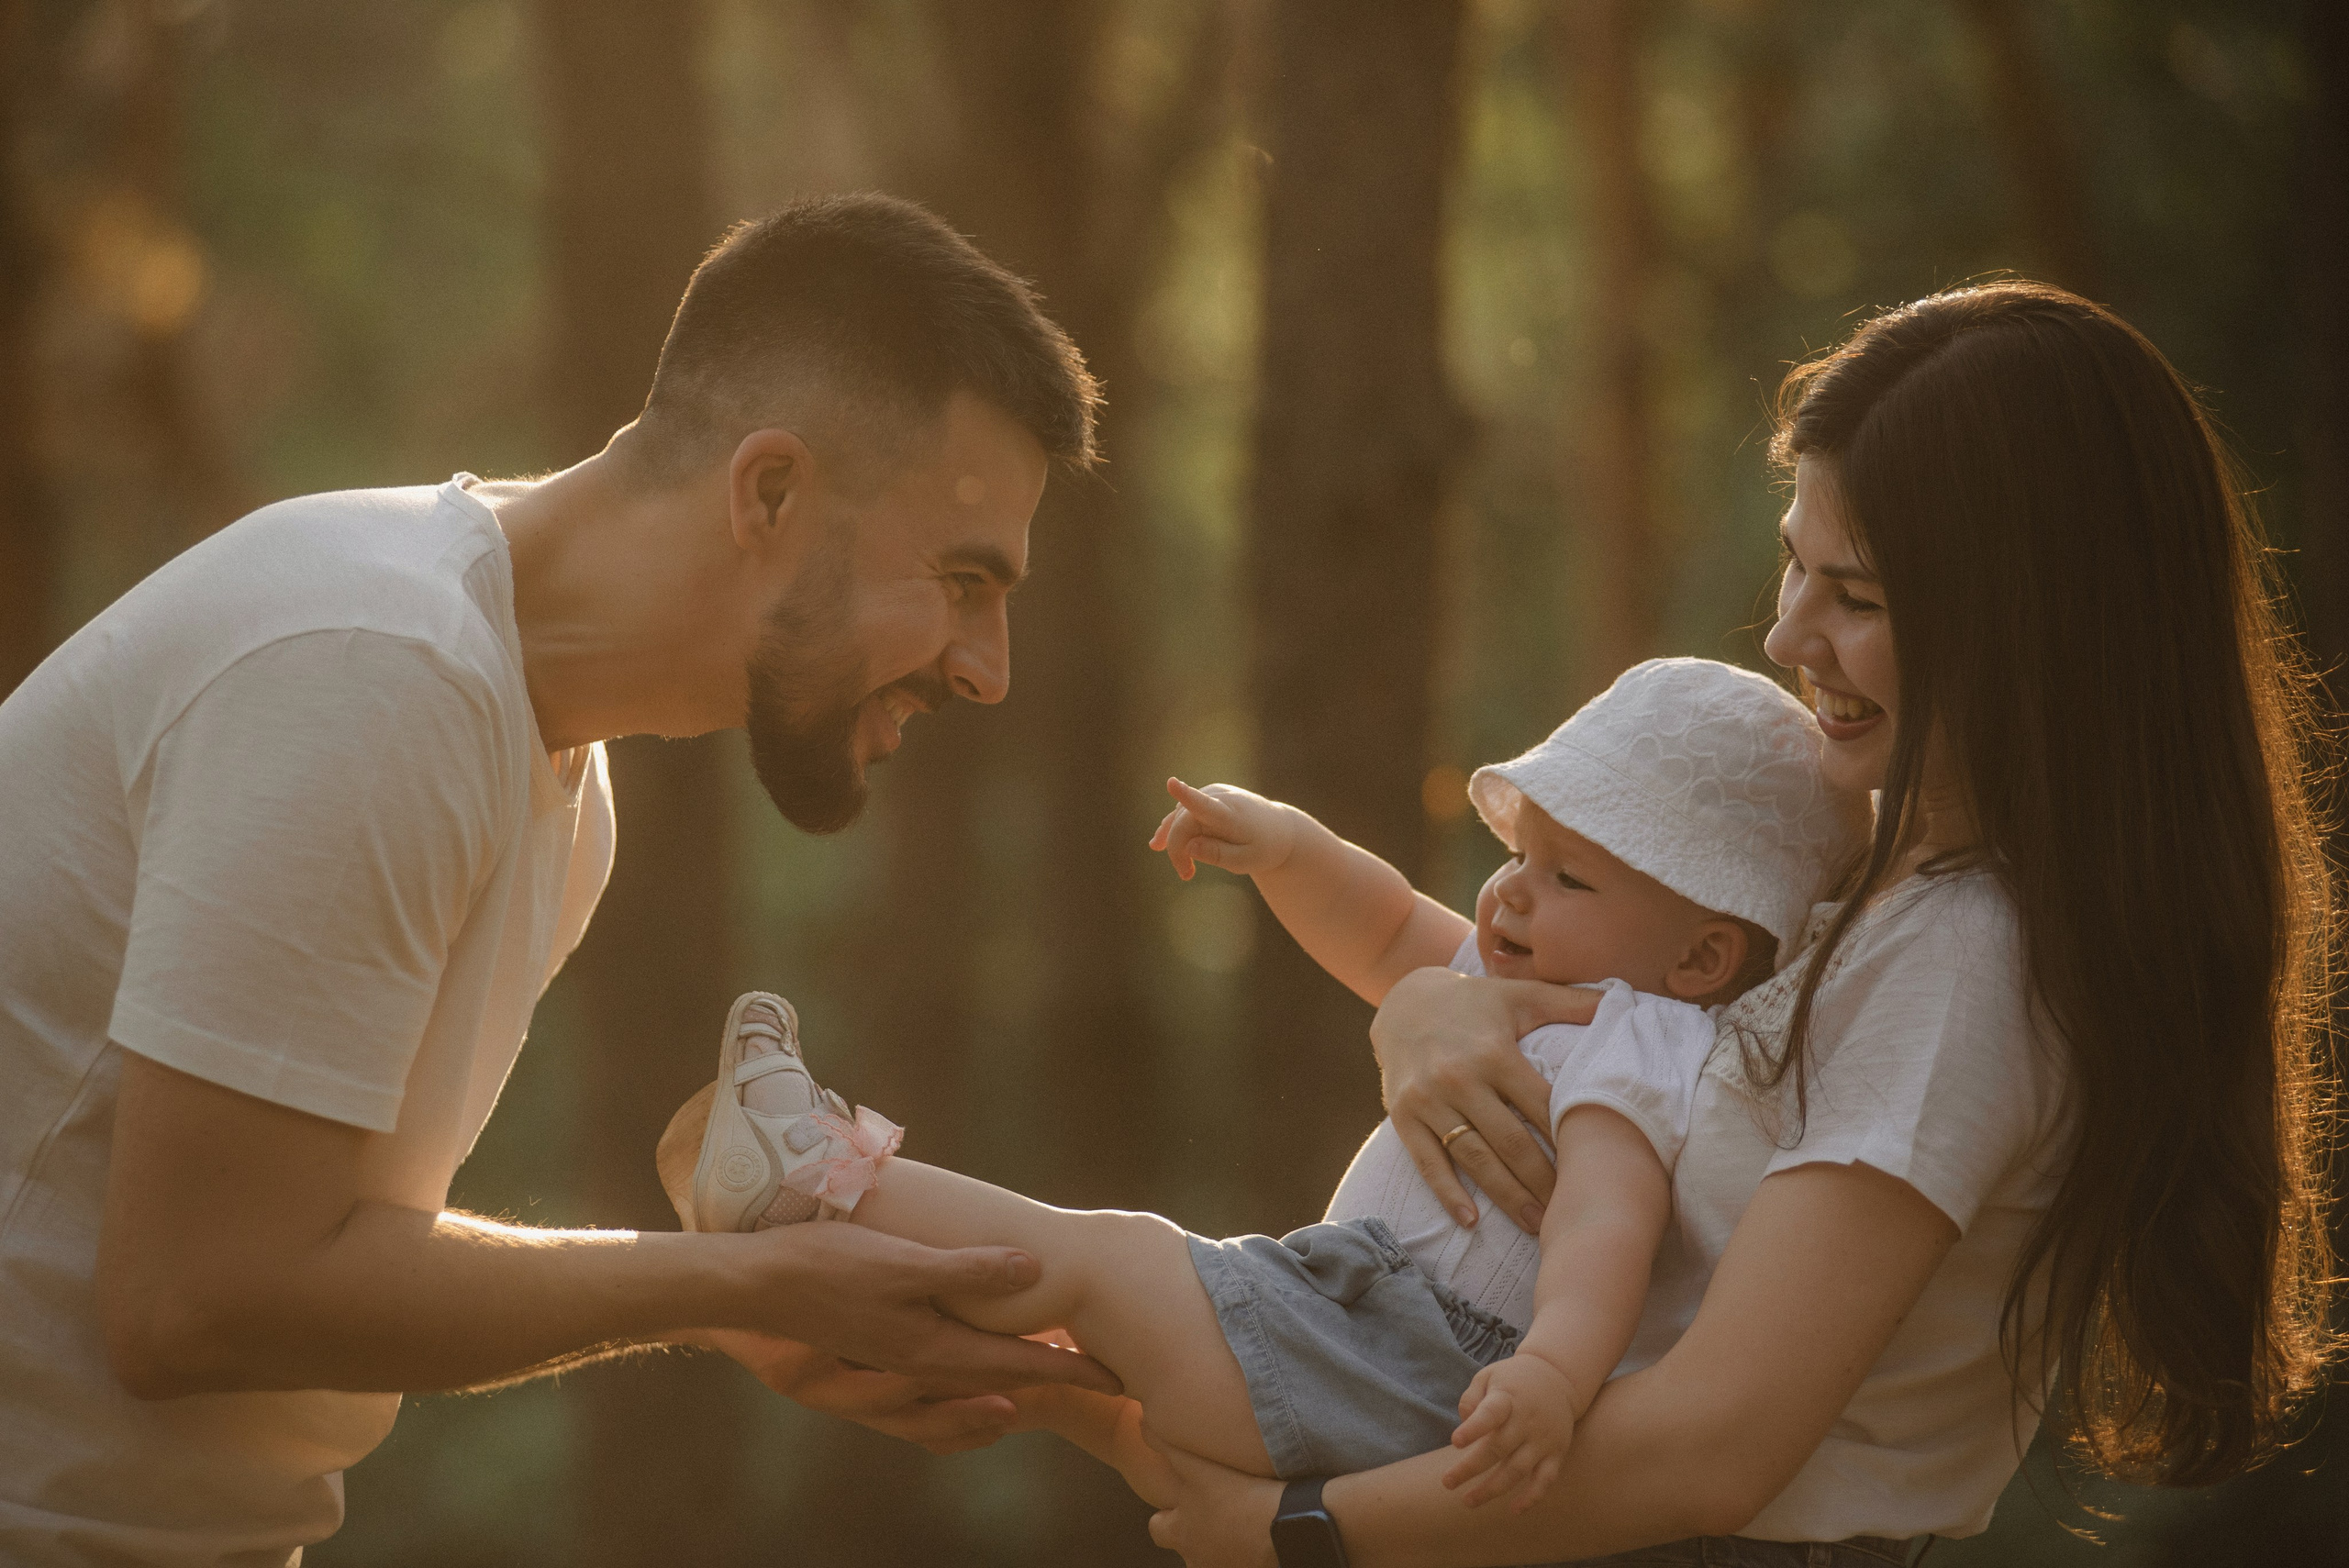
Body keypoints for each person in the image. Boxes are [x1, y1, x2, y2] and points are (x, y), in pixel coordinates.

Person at [0, 194, 1127, 1567]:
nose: (988, 669)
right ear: (768, 492)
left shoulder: (561, 785)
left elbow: (312, 1256)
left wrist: (739, 1304)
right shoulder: (374, 667)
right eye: (961, 578)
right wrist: (732, 1278)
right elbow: (192, 1300)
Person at [1140, 280, 2341, 1567]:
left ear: (2031, 621)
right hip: (1534, 1503)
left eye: (1858, 596)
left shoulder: (1967, 958)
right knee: (1042, 1305)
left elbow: (1715, 1444)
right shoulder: (1869, 882)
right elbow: (1612, 1025)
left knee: (1071, 1278)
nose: (1785, 634)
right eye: (1792, 564)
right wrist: (1436, 1001)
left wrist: (1306, 1537)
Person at [657, 658, 1865, 1515]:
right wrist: (1286, 844)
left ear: (1701, 955)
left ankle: (812, 1172)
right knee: (1103, 1343)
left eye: (1568, 878)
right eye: (1515, 855)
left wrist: (1550, 1372)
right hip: (1356, 1322)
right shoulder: (1521, 978)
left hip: (1432, 1358)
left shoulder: (1641, 1041)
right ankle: (823, 1239)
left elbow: (1607, 1216)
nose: (1510, 894)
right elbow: (1386, 919)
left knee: (1114, 1256)